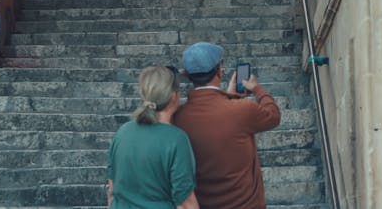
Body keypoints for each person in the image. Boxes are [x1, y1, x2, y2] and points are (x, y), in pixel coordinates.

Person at [173, 42, 281, 209]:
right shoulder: (243, 109)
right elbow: (273, 116)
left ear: (186, 74)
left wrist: (228, 96)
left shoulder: (177, 117)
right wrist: (257, 89)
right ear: (220, 70)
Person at [107, 65, 199, 209]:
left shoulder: (122, 132)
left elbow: (112, 190)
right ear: (175, 96)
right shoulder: (176, 139)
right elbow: (185, 202)